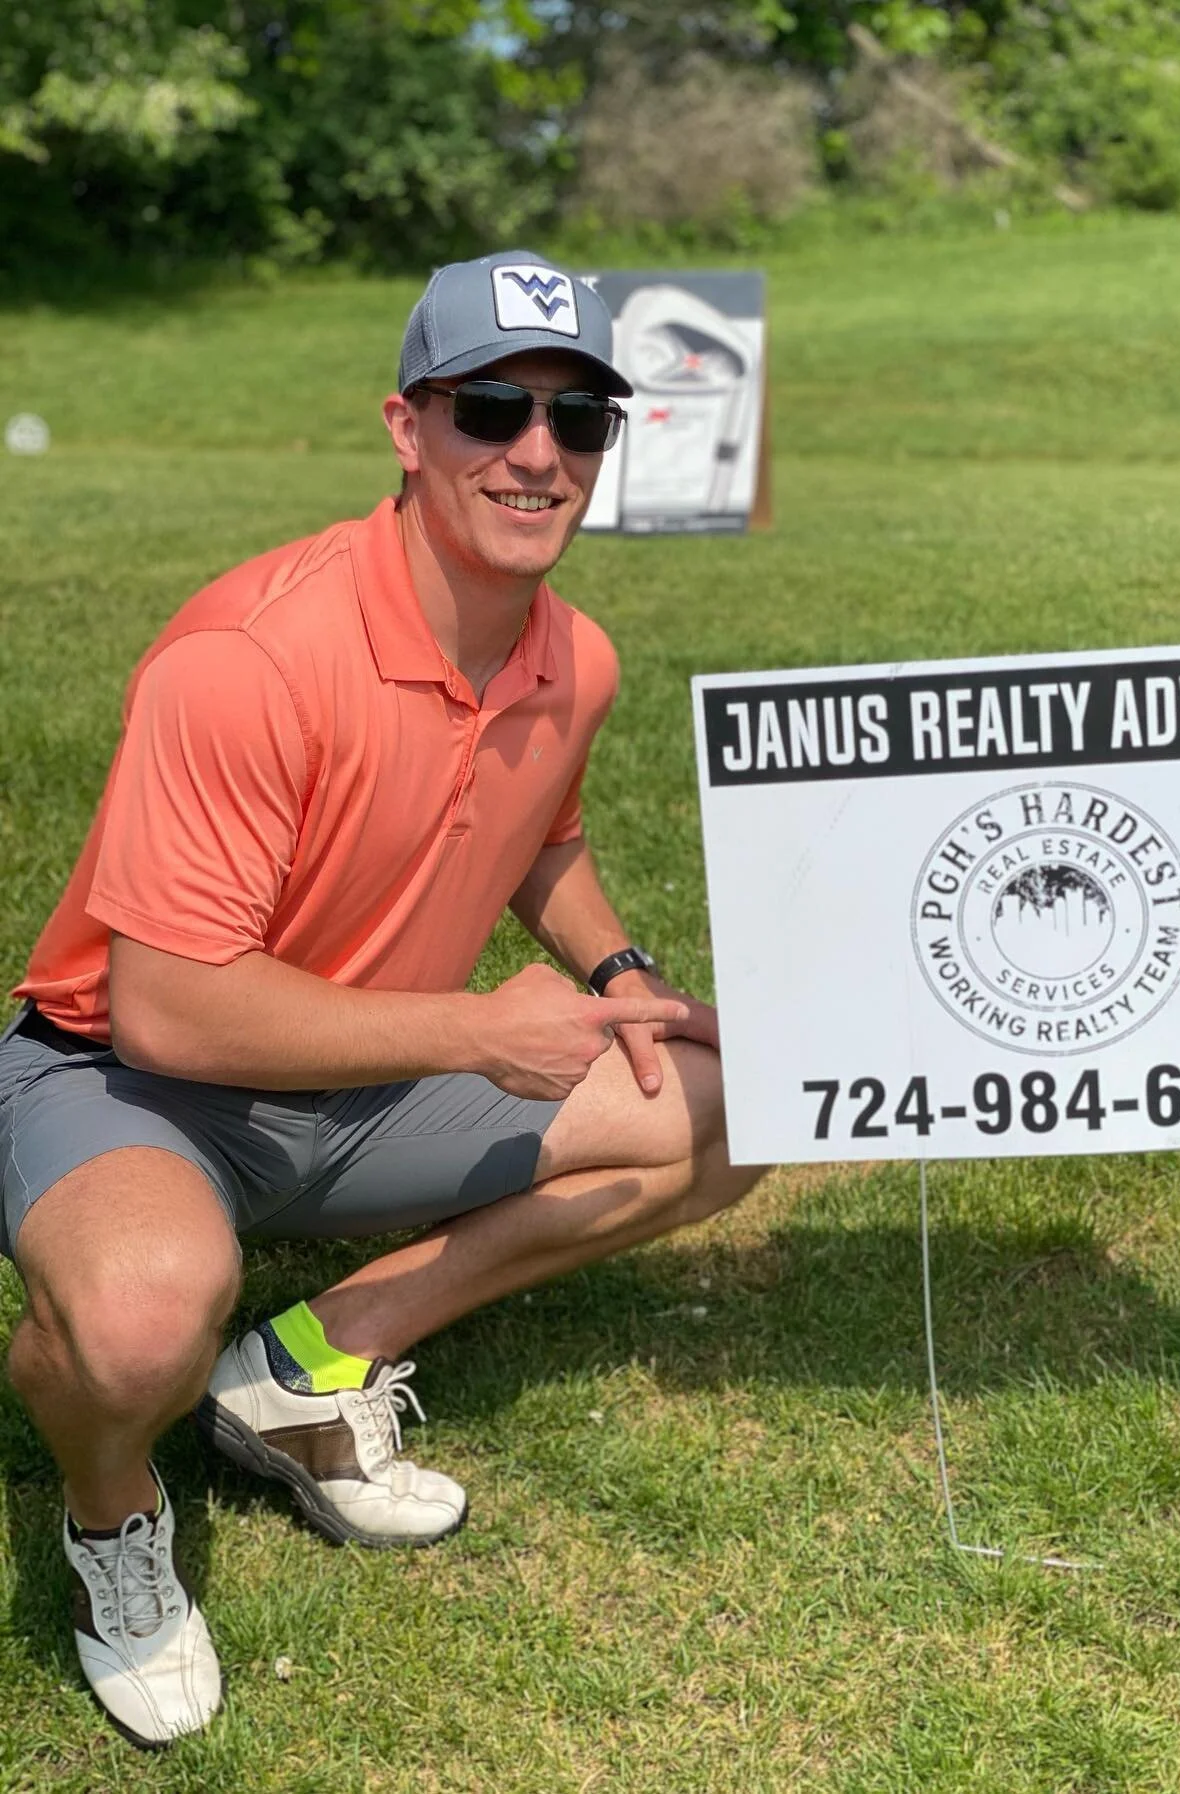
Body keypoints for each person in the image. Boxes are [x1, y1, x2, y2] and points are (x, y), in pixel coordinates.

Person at [0, 250, 764, 1748]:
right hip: (128, 1077)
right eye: (491, 408)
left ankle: (302, 1366)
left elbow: (539, 829)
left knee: (734, 1117)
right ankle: (112, 1518)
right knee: (140, 1319)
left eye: (580, 419)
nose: (537, 452)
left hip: (364, 1076)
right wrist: (485, 1026)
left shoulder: (574, 656)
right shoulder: (249, 658)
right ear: (408, 430)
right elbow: (167, 1010)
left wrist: (620, 977)